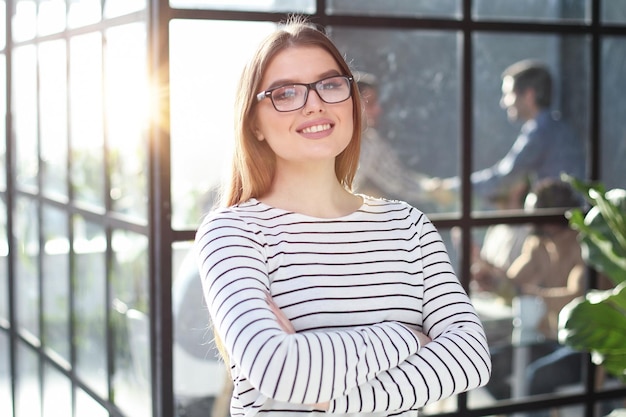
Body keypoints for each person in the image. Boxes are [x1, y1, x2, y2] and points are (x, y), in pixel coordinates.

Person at [194, 16, 491, 417]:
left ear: (351, 101)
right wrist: (406, 338)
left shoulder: (409, 227)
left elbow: (471, 358)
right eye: (286, 93)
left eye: (330, 84)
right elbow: (278, 369)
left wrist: (330, 398)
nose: (314, 103)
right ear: (254, 123)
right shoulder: (234, 232)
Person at [426, 59, 586, 209]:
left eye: (508, 94)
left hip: (563, 223)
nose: (504, 102)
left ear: (529, 95)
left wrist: (450, 188)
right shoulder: (553, 127)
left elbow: (504, 179)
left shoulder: (542, 131)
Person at [482, 179, 586, 406]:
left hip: (584, 347)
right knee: (485, 365)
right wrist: (489, 275)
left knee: (536, 377)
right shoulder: (539, 244)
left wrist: (531, 294)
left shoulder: (582, 245)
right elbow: (512, 281)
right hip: (551, 339)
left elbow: (576, 297)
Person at [352, 71, 431, 208]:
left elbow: (399, 179)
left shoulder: (370, 143)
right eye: (370, 103)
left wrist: (433, 190)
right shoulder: (326, 142)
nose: (378, 110)